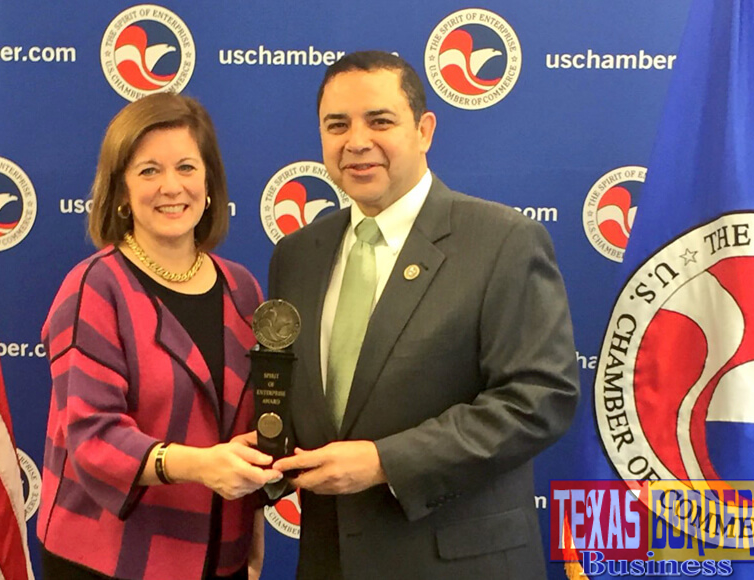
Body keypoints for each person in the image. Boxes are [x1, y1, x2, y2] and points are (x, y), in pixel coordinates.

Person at [268, 51, 580, 580]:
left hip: (459, 564)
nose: (356, 141)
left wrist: (385, 461)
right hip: (330, 562)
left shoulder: (503, 241)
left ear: (424, 130)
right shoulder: (296, 256)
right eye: (336, 125)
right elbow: (285, 398)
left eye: (380, 120)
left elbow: (539, 398)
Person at [37, 93, 280, 580]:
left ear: (209, 181)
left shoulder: (243, 290)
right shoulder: (93, 288)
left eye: (186, 167)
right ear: (122, 190)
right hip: (111, 559)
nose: (172, 186)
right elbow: (92, 438)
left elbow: (255, 425)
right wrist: (197, 465)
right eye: (149, 170)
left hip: (222, 556)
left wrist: (255, 521)